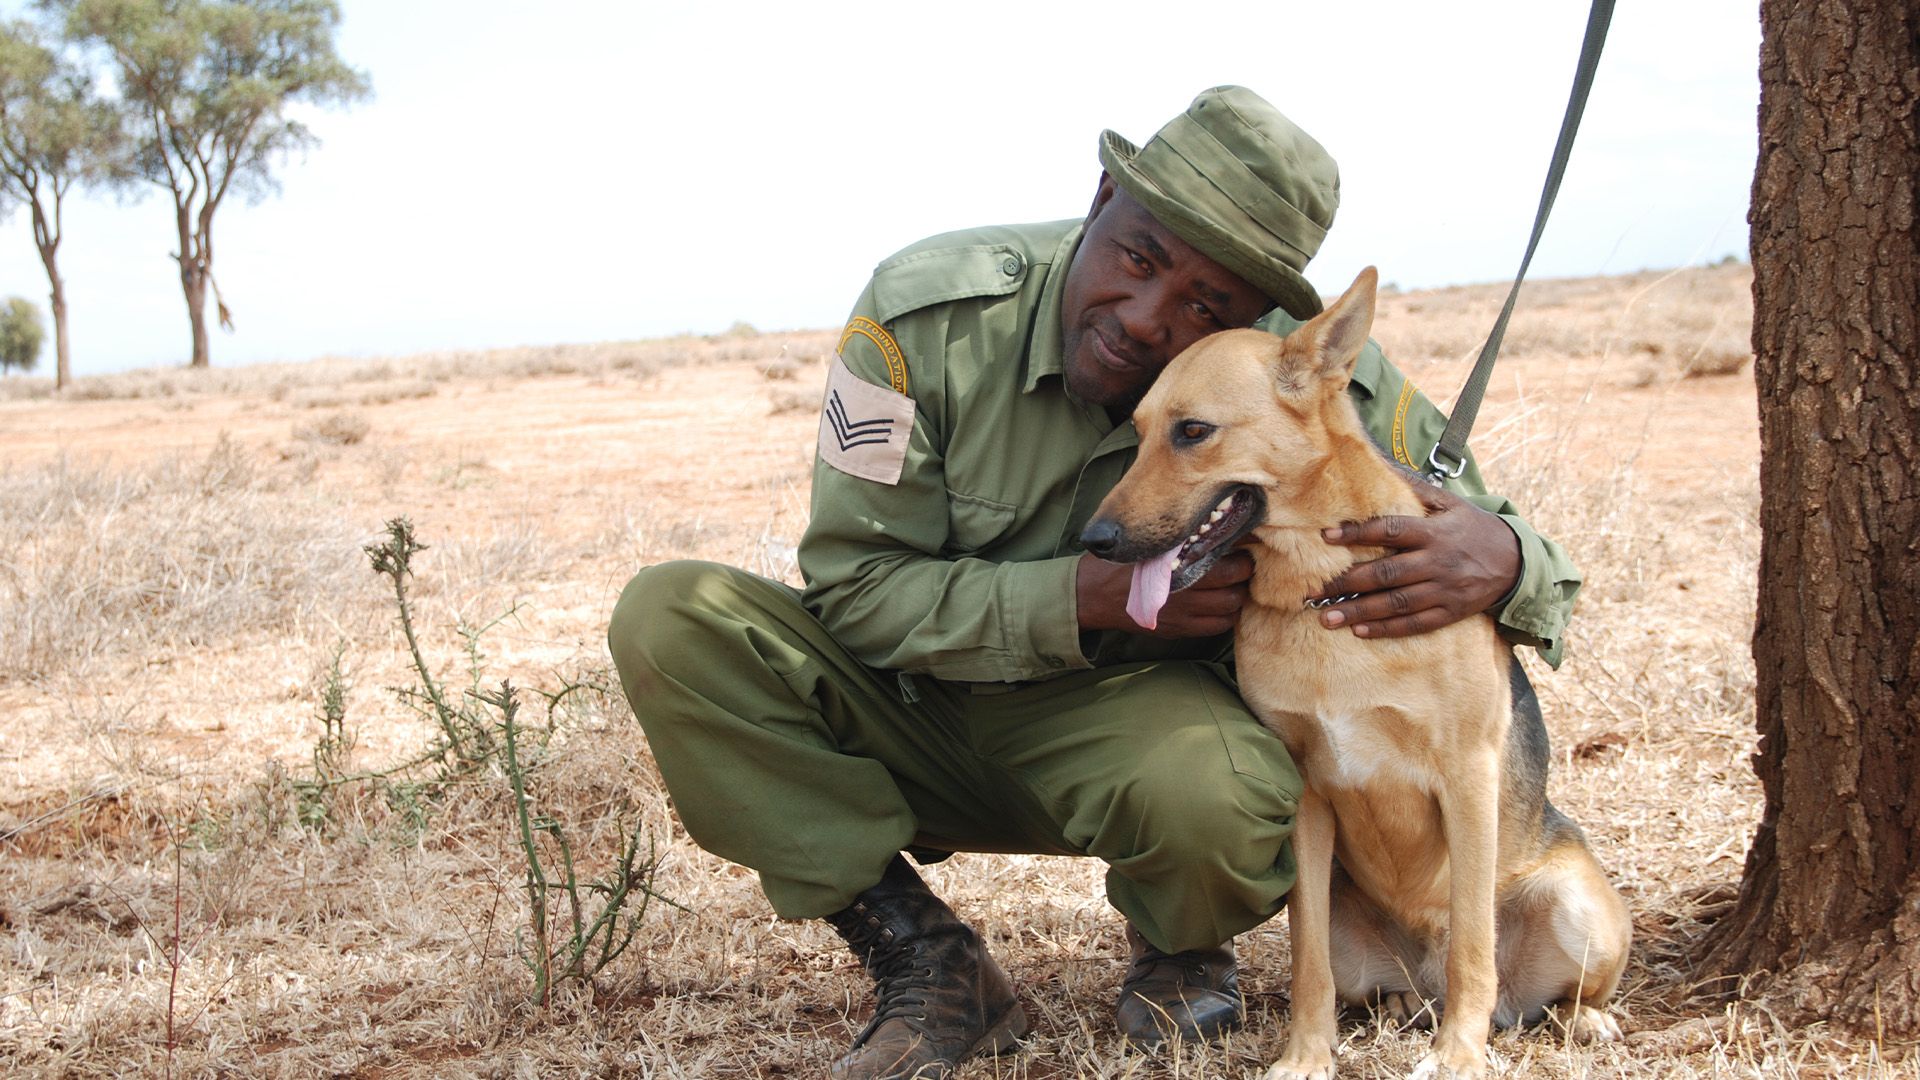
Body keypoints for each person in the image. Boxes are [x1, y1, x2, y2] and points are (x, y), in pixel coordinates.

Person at [607, 86, 1580, 1079]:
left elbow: (1487, 535)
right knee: (674, 619)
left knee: (1231, 793)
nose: (1149, 320)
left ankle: (1176, 937)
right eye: (1140, 257)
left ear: (1262, 315)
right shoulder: (928, 317)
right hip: (909, 711)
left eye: (1207, 306)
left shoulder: (1301, 372)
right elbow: (854, 587)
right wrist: (1079, 598)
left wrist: (1505, 561)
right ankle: (922, 957)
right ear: (1103, 191)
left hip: (1134, 740)